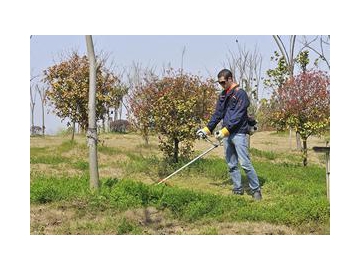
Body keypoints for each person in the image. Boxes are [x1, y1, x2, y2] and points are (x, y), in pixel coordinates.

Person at [196, 69, 262, 200]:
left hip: (238, 133)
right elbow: (218, 114)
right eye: (220, 83)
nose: (222, 85)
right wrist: (207, 129)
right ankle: (237, 189)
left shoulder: (240, 94)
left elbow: (238, 115)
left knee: (245, 163)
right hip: (226, 134)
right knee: (231, 164)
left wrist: (225, 131)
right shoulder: (222, 95)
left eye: (223, 82)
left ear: (230, 79)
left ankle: (256, 190)